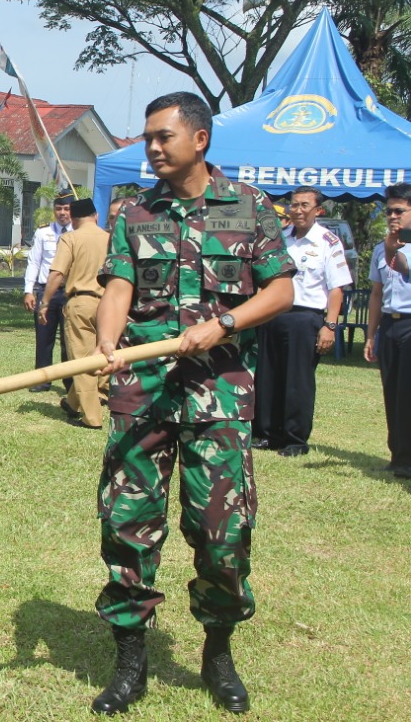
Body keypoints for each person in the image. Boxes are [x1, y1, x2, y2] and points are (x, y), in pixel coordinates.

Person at [92, 92, 295, 716]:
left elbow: (281, 290)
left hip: (219, 394)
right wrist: (107, 343)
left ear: (200, 139)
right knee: (126, 525)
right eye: (148, 137)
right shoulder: (134, 210)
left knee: (222, 533)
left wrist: (225, 322)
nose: (152, 147)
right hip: (143, 392)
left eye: (164, 137)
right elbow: (119, 285)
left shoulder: (250, 206)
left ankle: (218, 652)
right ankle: (131, 661)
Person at [253, 186, 351, 456]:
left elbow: (336, 288)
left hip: (305, 318)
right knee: (267, 376)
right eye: (294, 205)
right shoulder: (281, 239)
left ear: (318, 210)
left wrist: (329, 326)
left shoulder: (327, 242)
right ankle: (267, 434)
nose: (297, 210)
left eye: (304, 205)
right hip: (273, 314)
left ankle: (295, 439)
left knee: (297, 381)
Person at [39, 197, 108, 428]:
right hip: (108, 303)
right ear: (96, 216)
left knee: (82, 361)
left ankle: (92, 418)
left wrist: (45, 302)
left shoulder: (70, 238)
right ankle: (73, 402)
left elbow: (57, 273)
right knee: (102, 354)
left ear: (73, 219)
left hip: (81, 302)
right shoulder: (109, 238)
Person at [365, 182, 411, 479]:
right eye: (389, 211)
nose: (392, 216)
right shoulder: (381, 248)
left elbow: (404, 268)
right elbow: (376, 294)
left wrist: (395, 248)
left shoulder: (395, 248)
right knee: (392, 392)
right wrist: (371, 335)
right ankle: (398, 456)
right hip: (390, 324)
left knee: (407, 393)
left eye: (399, 211)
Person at [23, 194, 73, 392]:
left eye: (66, 209)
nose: (62, 213)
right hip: (46, 292)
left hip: (70, 292)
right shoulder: (43, 232)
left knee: (69, 340)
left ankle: (71, 382)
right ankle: (42, 379)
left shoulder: (78, 232)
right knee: (44, 338)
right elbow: (34, 262)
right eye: (59, 208)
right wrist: (29, 291)